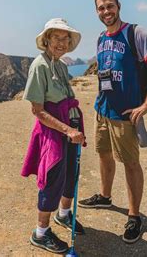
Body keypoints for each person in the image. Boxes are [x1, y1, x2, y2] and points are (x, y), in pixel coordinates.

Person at [79, 0, 147, 244]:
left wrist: (146, 104)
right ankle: (105, 197)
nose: (106, 12)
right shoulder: (100, 37)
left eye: (110, 6)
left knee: (130, 163)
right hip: (103, 109)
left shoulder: (135, 33)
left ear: (118, 6)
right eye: (101, 8)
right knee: (103, 154)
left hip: (125, 113)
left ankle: (134, 216)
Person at [21, 18, 86, 254]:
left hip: (69, 129)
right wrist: (68, 129)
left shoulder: (60, 64)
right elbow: (38, 111)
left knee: (71, 174)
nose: (62, 42)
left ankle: (64, 215)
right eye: (56, 38)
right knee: (52, 179)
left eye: (65, 38)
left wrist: (73, 125)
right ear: (47, 40)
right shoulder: (39, 66)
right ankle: (40, 233)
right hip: (53, 132)